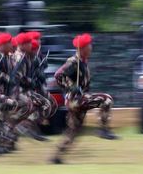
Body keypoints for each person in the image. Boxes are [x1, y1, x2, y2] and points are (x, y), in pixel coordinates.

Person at [50, 33, 118, 164]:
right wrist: (71, 86)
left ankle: (56, 157)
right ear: (82, 48)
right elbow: (58, 75)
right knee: (106, 99)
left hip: (78, 100)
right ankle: (103, 130)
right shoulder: (74, 62)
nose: (91, 48)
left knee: (73, 131)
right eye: (89, 46)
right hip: (76, 99)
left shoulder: (83, 62)